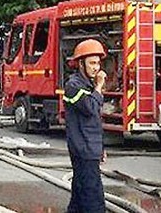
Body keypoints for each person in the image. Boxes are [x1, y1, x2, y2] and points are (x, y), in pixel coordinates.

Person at [63, 39, 107, 213]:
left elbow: (94, 122)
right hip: (83, 148)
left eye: (98, 63)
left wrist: (100, 148)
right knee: (92, 197)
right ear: (81, 64)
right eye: (92, 63)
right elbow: (90, 108)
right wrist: (99, 86)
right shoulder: (73, 86)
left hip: (90, 147)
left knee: (80, 193)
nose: (96, 67)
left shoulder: (87, 86)